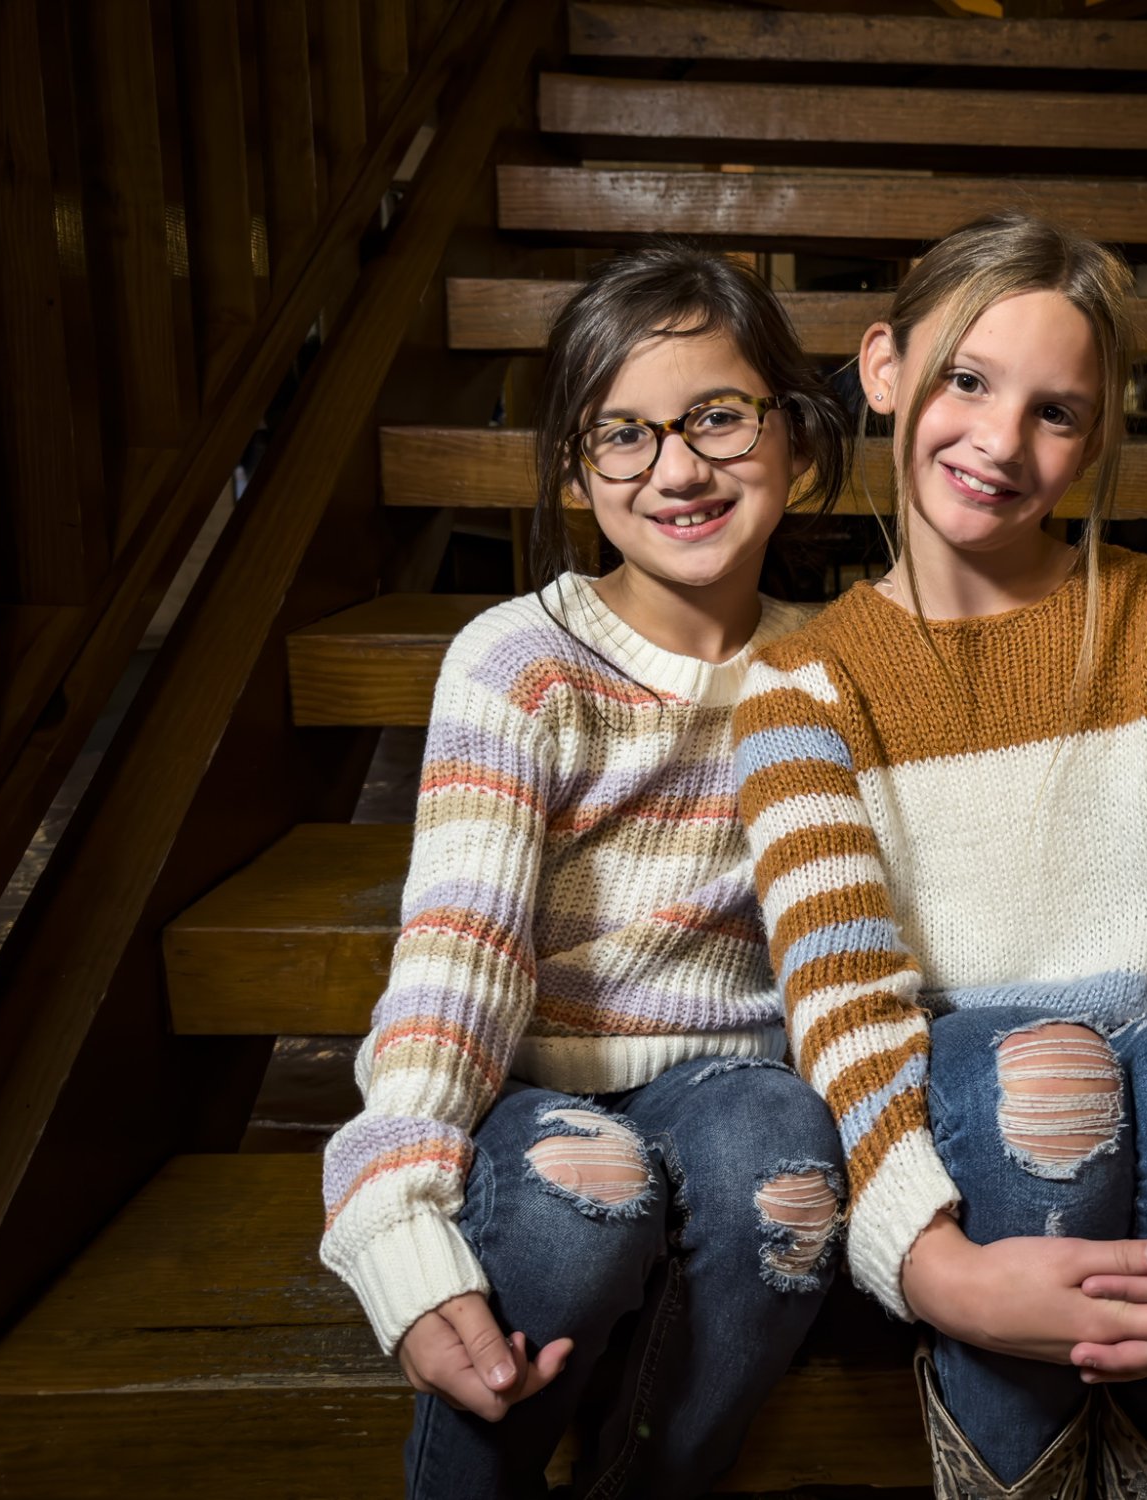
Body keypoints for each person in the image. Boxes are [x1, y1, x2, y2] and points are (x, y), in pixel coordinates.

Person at [733, 214, 1147, 1497]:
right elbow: (841, 993)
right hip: (971, 1091)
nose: (998, 441)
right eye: (966, 380)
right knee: (1045, 1082)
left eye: (1054, 412)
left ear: (1091, 441)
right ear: (883, 370)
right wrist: (929, 1262)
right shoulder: (802, 684)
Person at [320, 245, 854, 1500]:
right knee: (581, 1196)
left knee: (787, 1170)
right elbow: (458, 955)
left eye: (717, 416)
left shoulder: (840, 668)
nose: (677, 469)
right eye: (623, 435)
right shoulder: (520, 660)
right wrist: (392, 1204)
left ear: (796, 437)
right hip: (531, 1077)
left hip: (736, 1072)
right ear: (574, 472)